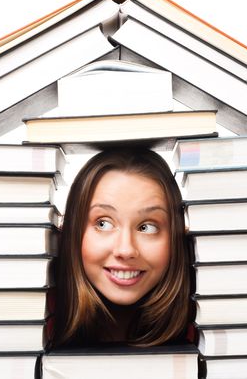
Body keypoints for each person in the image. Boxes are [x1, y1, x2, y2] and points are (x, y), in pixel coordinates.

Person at [51, 147, 190, 348]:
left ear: (177, 237)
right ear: (72, 232)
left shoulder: (208, 317)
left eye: (147, 227)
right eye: (103, 223)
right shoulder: (38, 311)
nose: (125, 250)